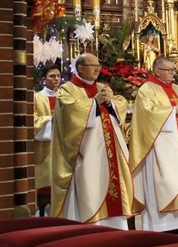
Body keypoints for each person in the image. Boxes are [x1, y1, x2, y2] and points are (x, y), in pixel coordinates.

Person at [50, 53, 142, 228]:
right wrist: (94, 103)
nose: (97, 69)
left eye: (98, 65)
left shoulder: (103, 87)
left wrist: (109, 103)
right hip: (86, 151)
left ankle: (117, 225)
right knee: (91, 185)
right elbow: (70, 113)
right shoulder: (68, 89)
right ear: (81, 68)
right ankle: (92, 225)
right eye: (93, 66)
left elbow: (119, 105)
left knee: (114, 183)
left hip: (110, 149)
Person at [129, 57, 178, 234]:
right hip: (161, 148)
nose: (174, 73)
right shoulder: (147, 90)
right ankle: (166, 225)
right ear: (157, 71)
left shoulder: (177, 88)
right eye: (170, 70)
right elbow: (147, 115)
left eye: (174, 70)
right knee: (167, 182)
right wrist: (173, 111)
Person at [33, 64, 61, 215]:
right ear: (44, 79)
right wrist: (52, 121)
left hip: (64, 147)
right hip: (45, 150)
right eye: (52, 76)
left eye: (58, 76)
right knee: (46, 181)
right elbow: (33, 121)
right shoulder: (37, 98)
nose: (56, 79)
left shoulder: (65, 98)